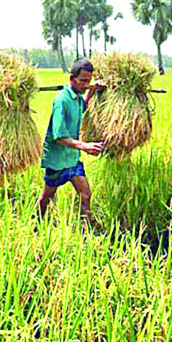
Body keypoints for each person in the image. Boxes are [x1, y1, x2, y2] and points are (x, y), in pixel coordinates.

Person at [38, 59, 105, 223]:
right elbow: (58, 135)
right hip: (57, 162)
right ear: (72, 78)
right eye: (83, 80)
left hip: (72, 160)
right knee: (46, 199)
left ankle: (86, 231)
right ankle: (35, 223)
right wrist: (84, 146)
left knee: (85, 195)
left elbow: (83, 106)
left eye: (88, 81)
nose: (85, 84)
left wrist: (91, 92)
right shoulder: (62, 100)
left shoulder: (77, 98)